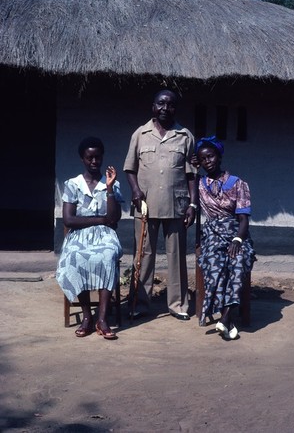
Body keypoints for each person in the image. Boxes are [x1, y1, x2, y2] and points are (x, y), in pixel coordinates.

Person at [123, 89, 197, 321]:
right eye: (161, 104)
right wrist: (135, 191)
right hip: (145, 205)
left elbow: (192, 175)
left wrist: (193, 204)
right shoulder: (140, 134)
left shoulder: (185, 136)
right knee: (143, 255)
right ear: (153, 106)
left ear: (176, 108)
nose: (165, 108)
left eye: (171, 104)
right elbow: (130, 168)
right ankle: (140, 303)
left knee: (176, 256)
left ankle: (178, 304)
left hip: (177, 205)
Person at [56, 136, 123, 339]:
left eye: (98, 157)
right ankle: (87, 316)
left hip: (105, 236)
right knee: (74, 257)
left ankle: (102, 319)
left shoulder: (113, 183)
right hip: (78, 236)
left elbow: (114, 218)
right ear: (82, 159)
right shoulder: (72, 184)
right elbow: (68, 220)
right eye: (89, 158)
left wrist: (109, 189)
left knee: (108, 255)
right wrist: (101, 220)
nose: (94, 162)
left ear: (102, 158)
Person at [195, 136, 256, 339]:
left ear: (219, 156)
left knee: (238, 261)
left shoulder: (238, 183)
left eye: (210, 156)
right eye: (203, 159)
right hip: (212, 233)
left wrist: (238, 240)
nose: (207, 161)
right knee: (215, 263)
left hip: (236, 233)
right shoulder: (200, 184)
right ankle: (227, 320)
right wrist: (192, 168)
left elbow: (243, 219)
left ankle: (225, 317)